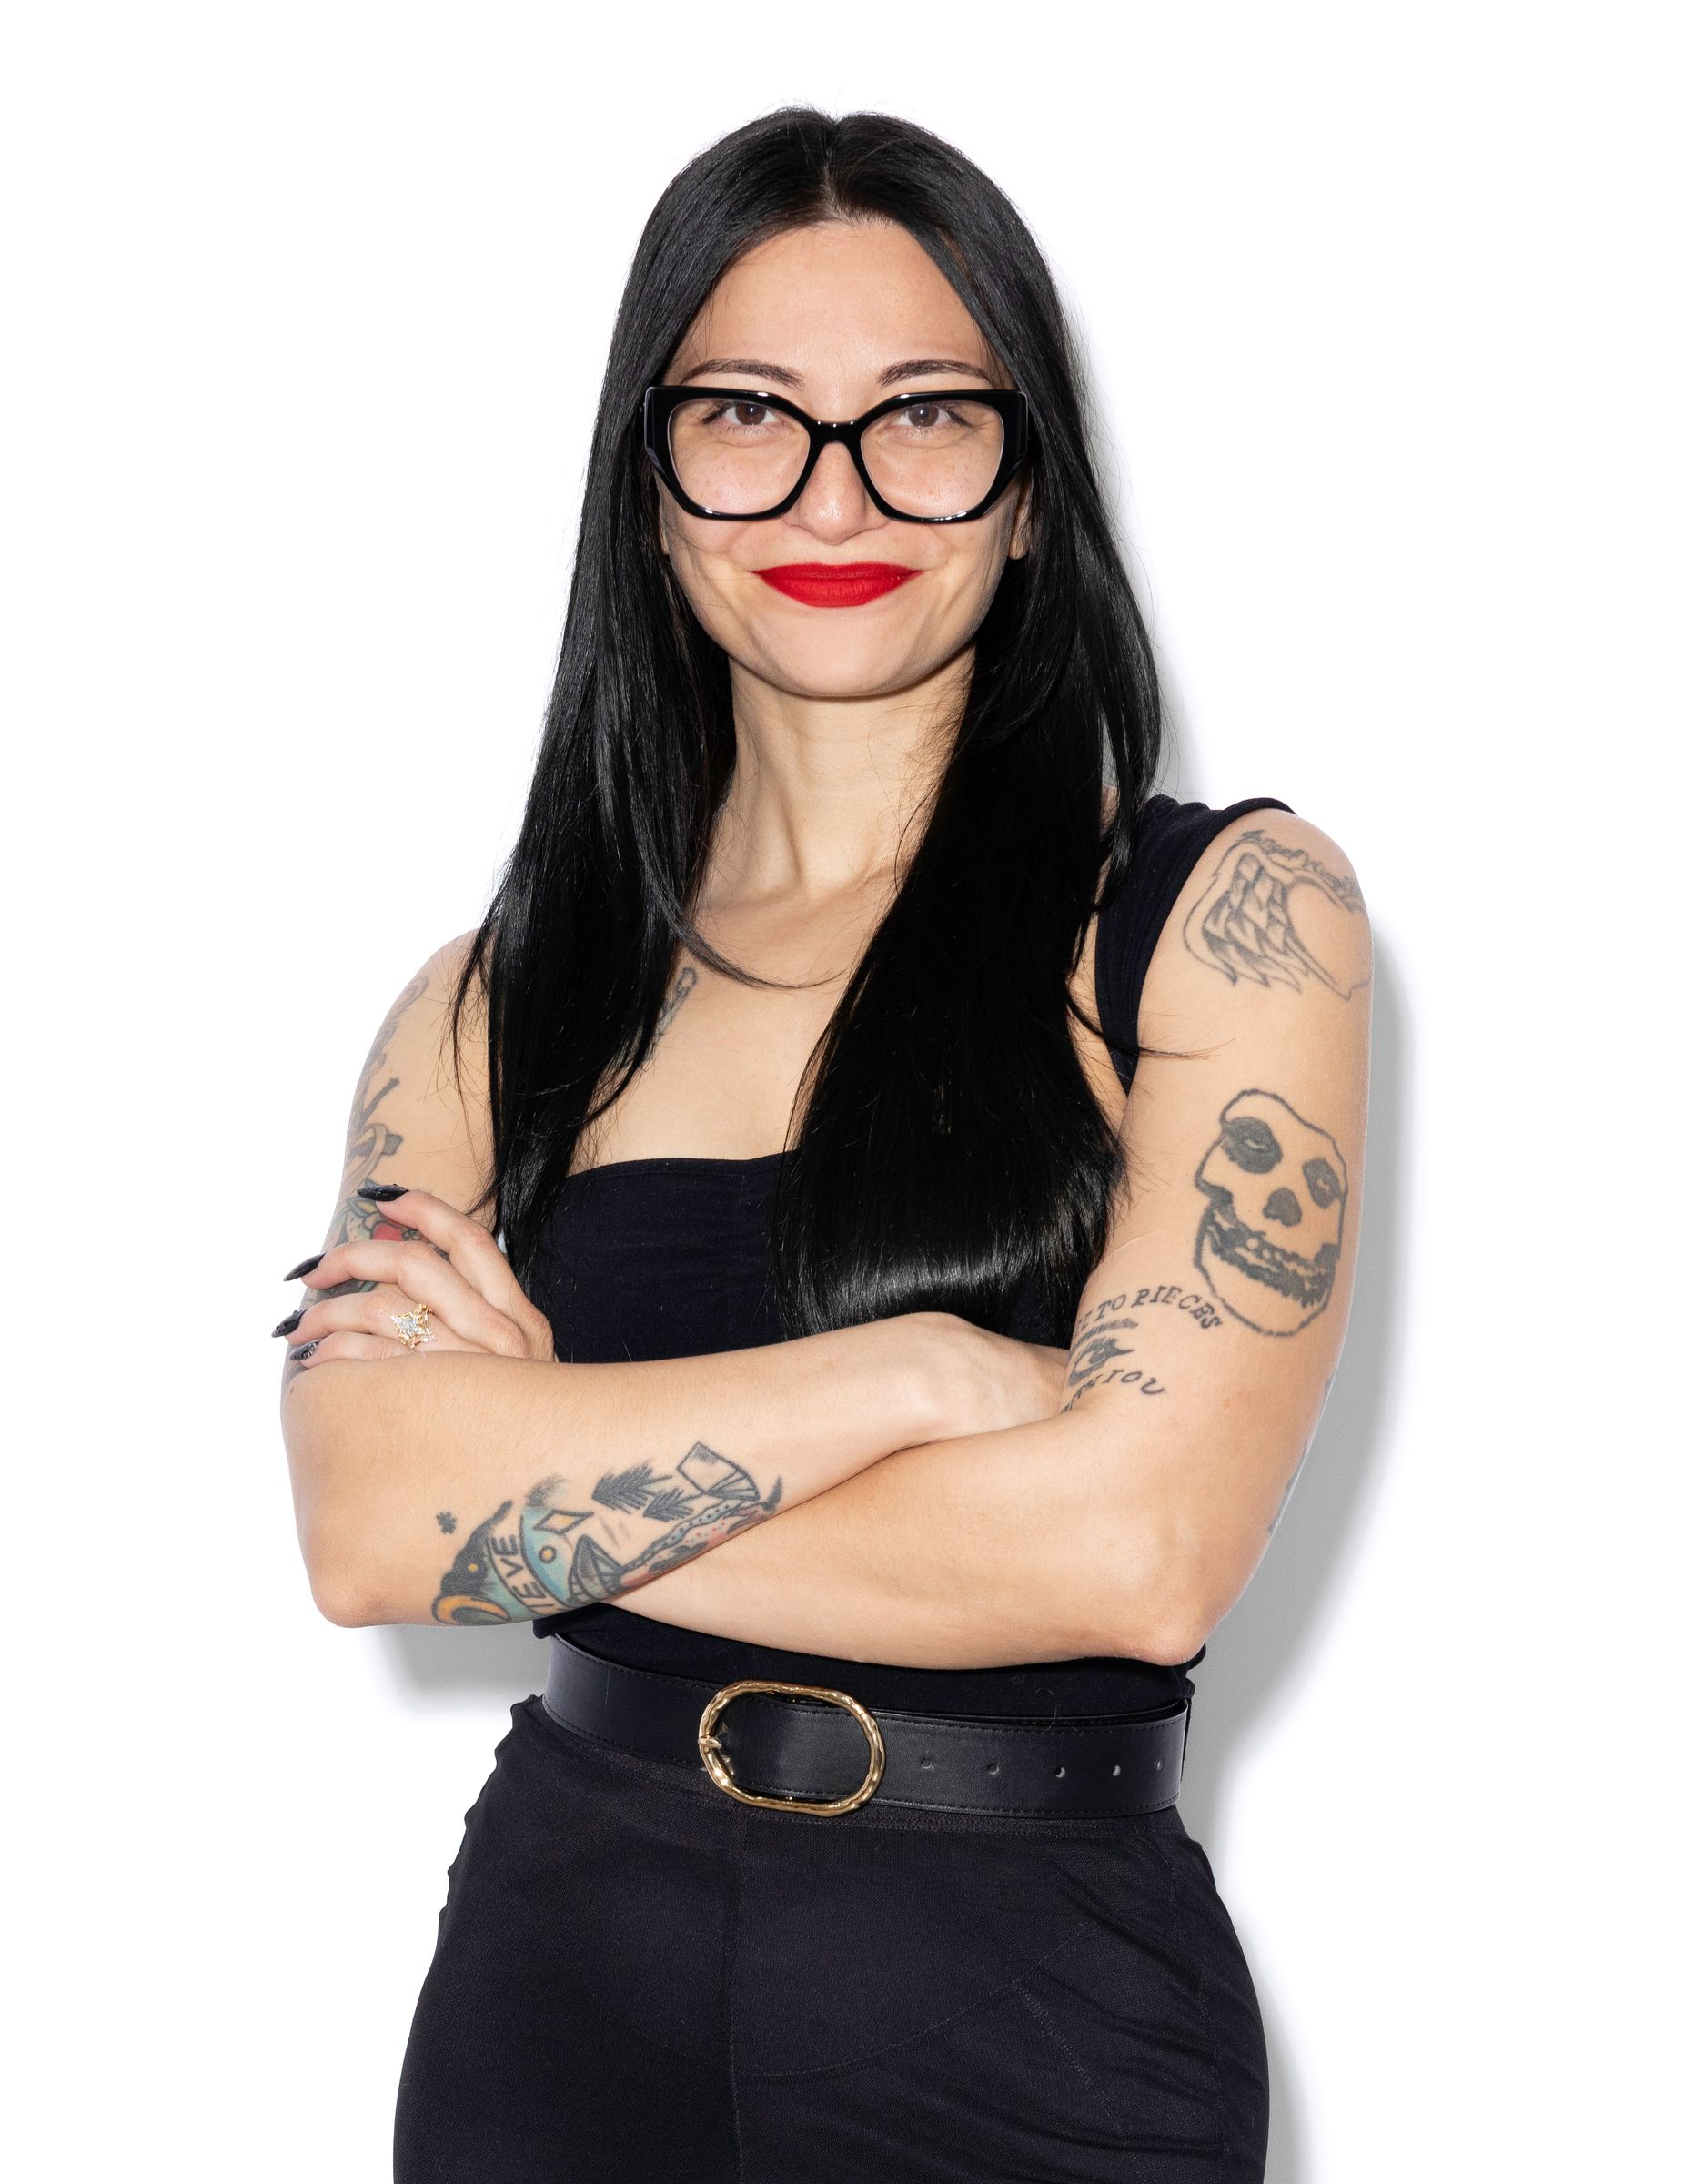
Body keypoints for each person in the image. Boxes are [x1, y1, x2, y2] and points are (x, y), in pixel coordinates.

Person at [277, 105, 1371, 2183]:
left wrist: (542, 1468)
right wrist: (913, 1379)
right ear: (654, 487)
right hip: (556, 1990)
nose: (836, 491)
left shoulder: (1229, 922)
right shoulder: (490, 1006)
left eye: (929, 416)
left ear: (1032, 486)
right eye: (749, 417)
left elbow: (1136, 1556)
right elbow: (364, 1535)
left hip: (1031, 2023)